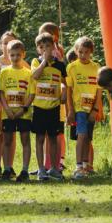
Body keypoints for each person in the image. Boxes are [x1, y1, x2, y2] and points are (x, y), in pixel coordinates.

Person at [29, 32, 66, 181]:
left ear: (53, 47)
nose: (45, 49)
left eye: (48, 46)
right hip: (39, 107)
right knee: (39, 139)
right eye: (42, 47)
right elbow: (35, 76)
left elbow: (65, 82)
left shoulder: (60, 65)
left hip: (54, 107)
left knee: (53, 139)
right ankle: (41, 169)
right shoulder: (36, 62)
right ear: (38, 49)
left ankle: (54, 168)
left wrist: (64, 91)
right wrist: (44, 62)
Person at [65, 37, 103, 178]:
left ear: (91, 52)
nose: (83, 55)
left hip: (91, 108)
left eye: (86, 52)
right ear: (76, 51)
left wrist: (96, 109)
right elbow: (69, 90)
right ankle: (78, 166)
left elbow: (99, 91)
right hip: (78, 108)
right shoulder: (71, 67)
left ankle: (86, 166)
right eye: (80, 52)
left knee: (87, 137)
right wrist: (70, 110)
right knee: (81, 136)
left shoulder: (96, 67)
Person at [0, 40, 32, 181]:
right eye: (12, 55)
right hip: (8, 112)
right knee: (7, 140)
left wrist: (23, 109)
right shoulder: (4, 72)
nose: (15, 58)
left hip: (24, 113)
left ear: (23, 54)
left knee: (25, 140)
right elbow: (0, 93)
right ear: (8, 55)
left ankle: (24, 170)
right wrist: (6, 109)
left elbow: (31, 94)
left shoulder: (29, 73)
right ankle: (7, 169)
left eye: (18, 55)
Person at [0, 31, 17, 175]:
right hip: (1, 104)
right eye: (5, 42)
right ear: (1, 46)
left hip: (15, 104)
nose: (8, 46)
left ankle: (9, 165)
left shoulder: (20, 62)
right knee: (2, 134)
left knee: (12, 135)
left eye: (11, 42)